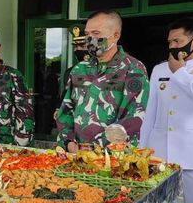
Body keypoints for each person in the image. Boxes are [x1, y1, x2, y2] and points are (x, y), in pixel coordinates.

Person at [56, 10, 149, 152]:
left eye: (96, 33)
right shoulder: (79, 69)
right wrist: (68, 142)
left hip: (114, 158)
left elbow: (134, 118)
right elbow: (65, 111)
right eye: (87, 34)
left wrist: (94, 147)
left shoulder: (133, 69)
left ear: (115, 35)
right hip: (76, 155)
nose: (90, 39)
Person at [140, 17, 193, 203]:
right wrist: (142, 151)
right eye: (170, 42)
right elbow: (150, 113)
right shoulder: (160, 69)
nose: (173, 46)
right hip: (160, 154)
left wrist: (179, 73)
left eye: (178, 41)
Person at [53, 24, 90, 120]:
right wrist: (59, 108)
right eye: (75, 46)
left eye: (82, 46)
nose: (77, 50)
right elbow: (66, 94)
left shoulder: (105, 70)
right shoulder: (71, 71)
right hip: (74, 119)